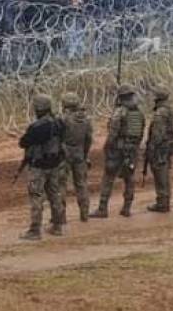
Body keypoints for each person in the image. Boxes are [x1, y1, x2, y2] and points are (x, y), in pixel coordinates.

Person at [91, 85, 144, 218]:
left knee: (108, 178)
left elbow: (113, 134)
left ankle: (102, 208)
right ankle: (127, 207)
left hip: (118, 150)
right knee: (129, 178)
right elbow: (140, 133)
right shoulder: (139, 113)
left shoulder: (120, 112)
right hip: (132, 150)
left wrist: (107, 148)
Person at [18, 94, 66, 239]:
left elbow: (23, 142)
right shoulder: (59, 123)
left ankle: (35, 230)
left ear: (38, 109)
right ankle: (57, 226)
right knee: (54, 195)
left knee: (36, 196)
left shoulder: (37, 127)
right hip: (55, 164)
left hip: (39, 166)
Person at [60, 92, 93, 222]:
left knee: (61, 185)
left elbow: (58, 138)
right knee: (81, 184)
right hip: (80, 153)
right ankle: (84, 214)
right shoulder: (86, 120)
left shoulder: (63, 119)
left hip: (65, 154)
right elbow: (89, 139)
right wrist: (85, 154)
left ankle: (60, 216)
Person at [145, 85, 173, 212]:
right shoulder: (171, 109)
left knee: (160, 174)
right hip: (168, 144)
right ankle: (164, 200)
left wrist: (152, 148)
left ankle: (162, 202)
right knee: (164, 172)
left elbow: (157, 134)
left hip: (160, 147)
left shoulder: (160, 113)